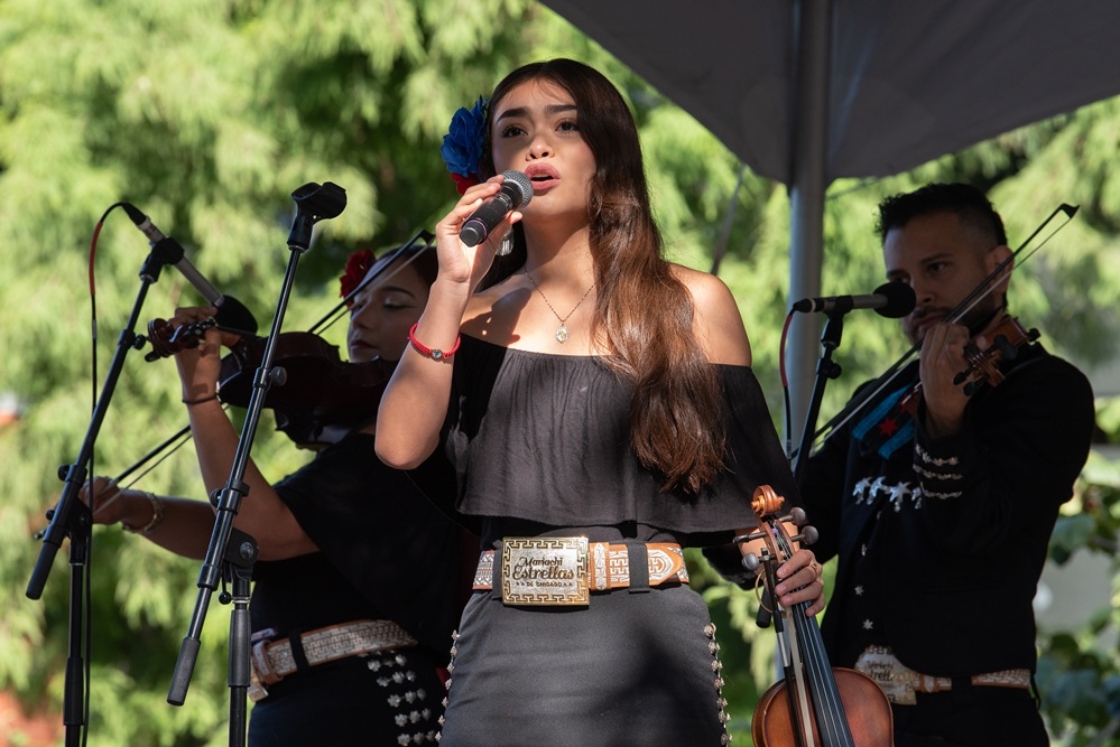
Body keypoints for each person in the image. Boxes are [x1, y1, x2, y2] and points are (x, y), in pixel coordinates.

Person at [374, 58, 825, 746]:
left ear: (608, 152)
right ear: (490, 163)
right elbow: (398, 445)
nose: (537, 145)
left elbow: (746, 497)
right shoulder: (470, 314)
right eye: (513, 130)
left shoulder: (693, 305)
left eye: (566, 126)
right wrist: (449, 286)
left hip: (649, 643)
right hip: (508, 650)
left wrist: (780, 558)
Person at [81, 244, 467, 746]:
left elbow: (260, 531)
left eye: (392, 304)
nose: (362, 319)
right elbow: (236, 535)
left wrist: (201, 397)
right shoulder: (355, 455)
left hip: (362, 706)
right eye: (358, 304)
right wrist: (135, 510)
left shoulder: (403, 457)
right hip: (313, 707)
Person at [799, 183, 1096, 746]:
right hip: (855, 721)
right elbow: (806, 520)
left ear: (999, 267)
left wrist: (944, 424)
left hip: (972, 718)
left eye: (936, 269)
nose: (919, 297)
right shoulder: (881, 395)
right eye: (902, 282)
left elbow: (973, 532)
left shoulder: (1047, 392)